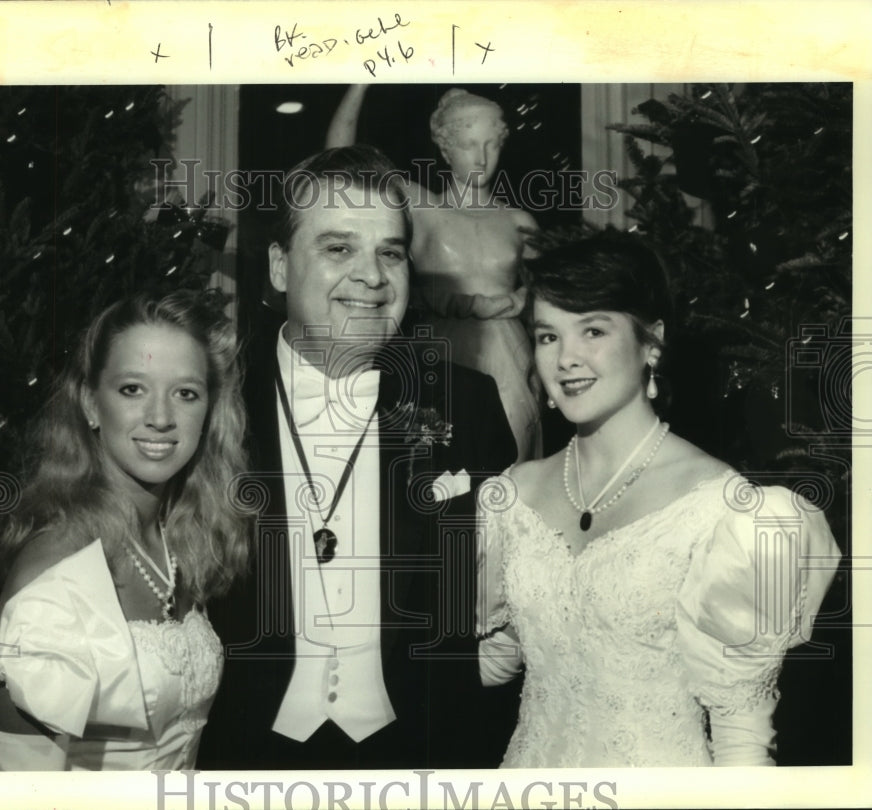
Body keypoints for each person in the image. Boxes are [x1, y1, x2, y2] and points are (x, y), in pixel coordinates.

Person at [200, 145, 518, 769]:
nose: (372, 276)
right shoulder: (205, 403)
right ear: (280, 267)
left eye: (390, 252)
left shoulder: (470, 406)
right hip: (242, 765)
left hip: (420, 767)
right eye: (338, 248)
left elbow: (509, 598)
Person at [477, 233, 841, 767]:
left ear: (653, 342)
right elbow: (499, 654)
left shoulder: (728, 512)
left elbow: (742, 739)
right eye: (548, 336)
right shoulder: (509, 496)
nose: (566, 359)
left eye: (593, 330)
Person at [0, 290, 251, 771]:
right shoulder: (58, 578)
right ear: (89, 403)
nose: (162, 417)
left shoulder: (175, 542)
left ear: (209, 412)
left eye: (185, 393)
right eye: (133, 389)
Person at [327, 85, 541, 462]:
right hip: (438, 351)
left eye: (491, 144)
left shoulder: (518, 222)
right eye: (468, 144)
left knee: (510, 470)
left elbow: (550, 299)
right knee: (438, 469)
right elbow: (341, 161)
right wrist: (360, 78)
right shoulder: (420, 208)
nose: (481, 157)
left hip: (509, 354)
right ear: (445, 148)